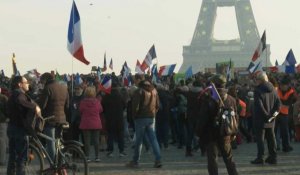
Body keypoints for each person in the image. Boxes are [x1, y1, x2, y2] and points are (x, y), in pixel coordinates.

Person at [197, 75, 238, 175]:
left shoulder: (208, 99)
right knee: (229, 159)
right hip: (225, 133)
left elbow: (203, 119)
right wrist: (234, 132)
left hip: (211, 134)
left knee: (212, 160)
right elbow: (235, 117)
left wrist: (198, 132)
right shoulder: (231, 99)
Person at [6, 76, 41, 175]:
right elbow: (23, 103)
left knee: (12, 158)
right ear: (19, 84)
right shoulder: (19, 94)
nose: (28, 84)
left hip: (12, 127)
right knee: (21, 159)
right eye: (26, 82)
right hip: (19, 130)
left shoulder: (12, 94)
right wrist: (35, 107)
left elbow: (7, 110)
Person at [126, 79, 162, 168]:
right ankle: (158, 159)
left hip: (140, 118)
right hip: (151, 117)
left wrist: (134, 117)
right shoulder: (154, 91)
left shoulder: (139, 91)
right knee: (153, 139)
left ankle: (135, 161)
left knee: (139, 140)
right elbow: (158, 105)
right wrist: (153, 113)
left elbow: (135, 107)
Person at [37, 72, 69, 160]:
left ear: (45, 80)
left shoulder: (48, 88)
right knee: (58, 143)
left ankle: (54, 167)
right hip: (62, 119)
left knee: (51, 143)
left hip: (50, 120)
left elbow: (42, 105)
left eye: (42, 82)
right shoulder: (64, 87)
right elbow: (67, 105)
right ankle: (60, 163)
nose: (42, 84)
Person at [251, 72, 280, 165]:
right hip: (271, 120)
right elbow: (278, 105)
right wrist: (272, 116)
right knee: (272, 138)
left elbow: (259, 106)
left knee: (261, 140)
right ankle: (273, 157)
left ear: (260, 80)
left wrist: (267, 116)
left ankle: (261, 157)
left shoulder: (258, 90)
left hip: (260, 119)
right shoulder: (274, 90)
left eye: (257, 79)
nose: (256, 81)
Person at [79, 86, 103, 162]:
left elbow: (80, 111)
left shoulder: (82, 102)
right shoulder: (97, 102)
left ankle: (87, 157)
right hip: (96, 123)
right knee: (96, 141)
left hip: (86, 123)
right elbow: (101, 110)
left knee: (87, 141)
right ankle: (97, 157)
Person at [0, 87, 8, 166]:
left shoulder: (4, 98)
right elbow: (8, 110)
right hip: (2, 121)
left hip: (2, 121)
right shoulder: (4, 98)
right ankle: (2, 160)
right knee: (2, 141)